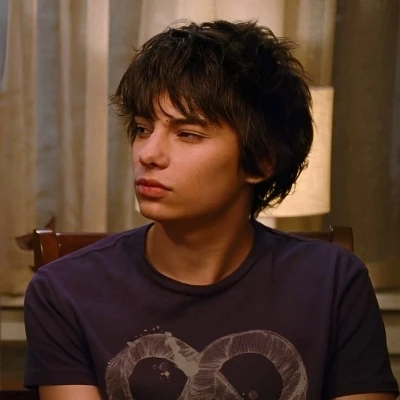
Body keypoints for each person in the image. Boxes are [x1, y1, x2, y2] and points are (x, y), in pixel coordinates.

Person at [24, 20, 399, 400]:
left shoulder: (333, 282)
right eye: (142, 128)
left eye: (187, 134)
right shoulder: (66, 290)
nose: (148, 154)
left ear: (261, 162)